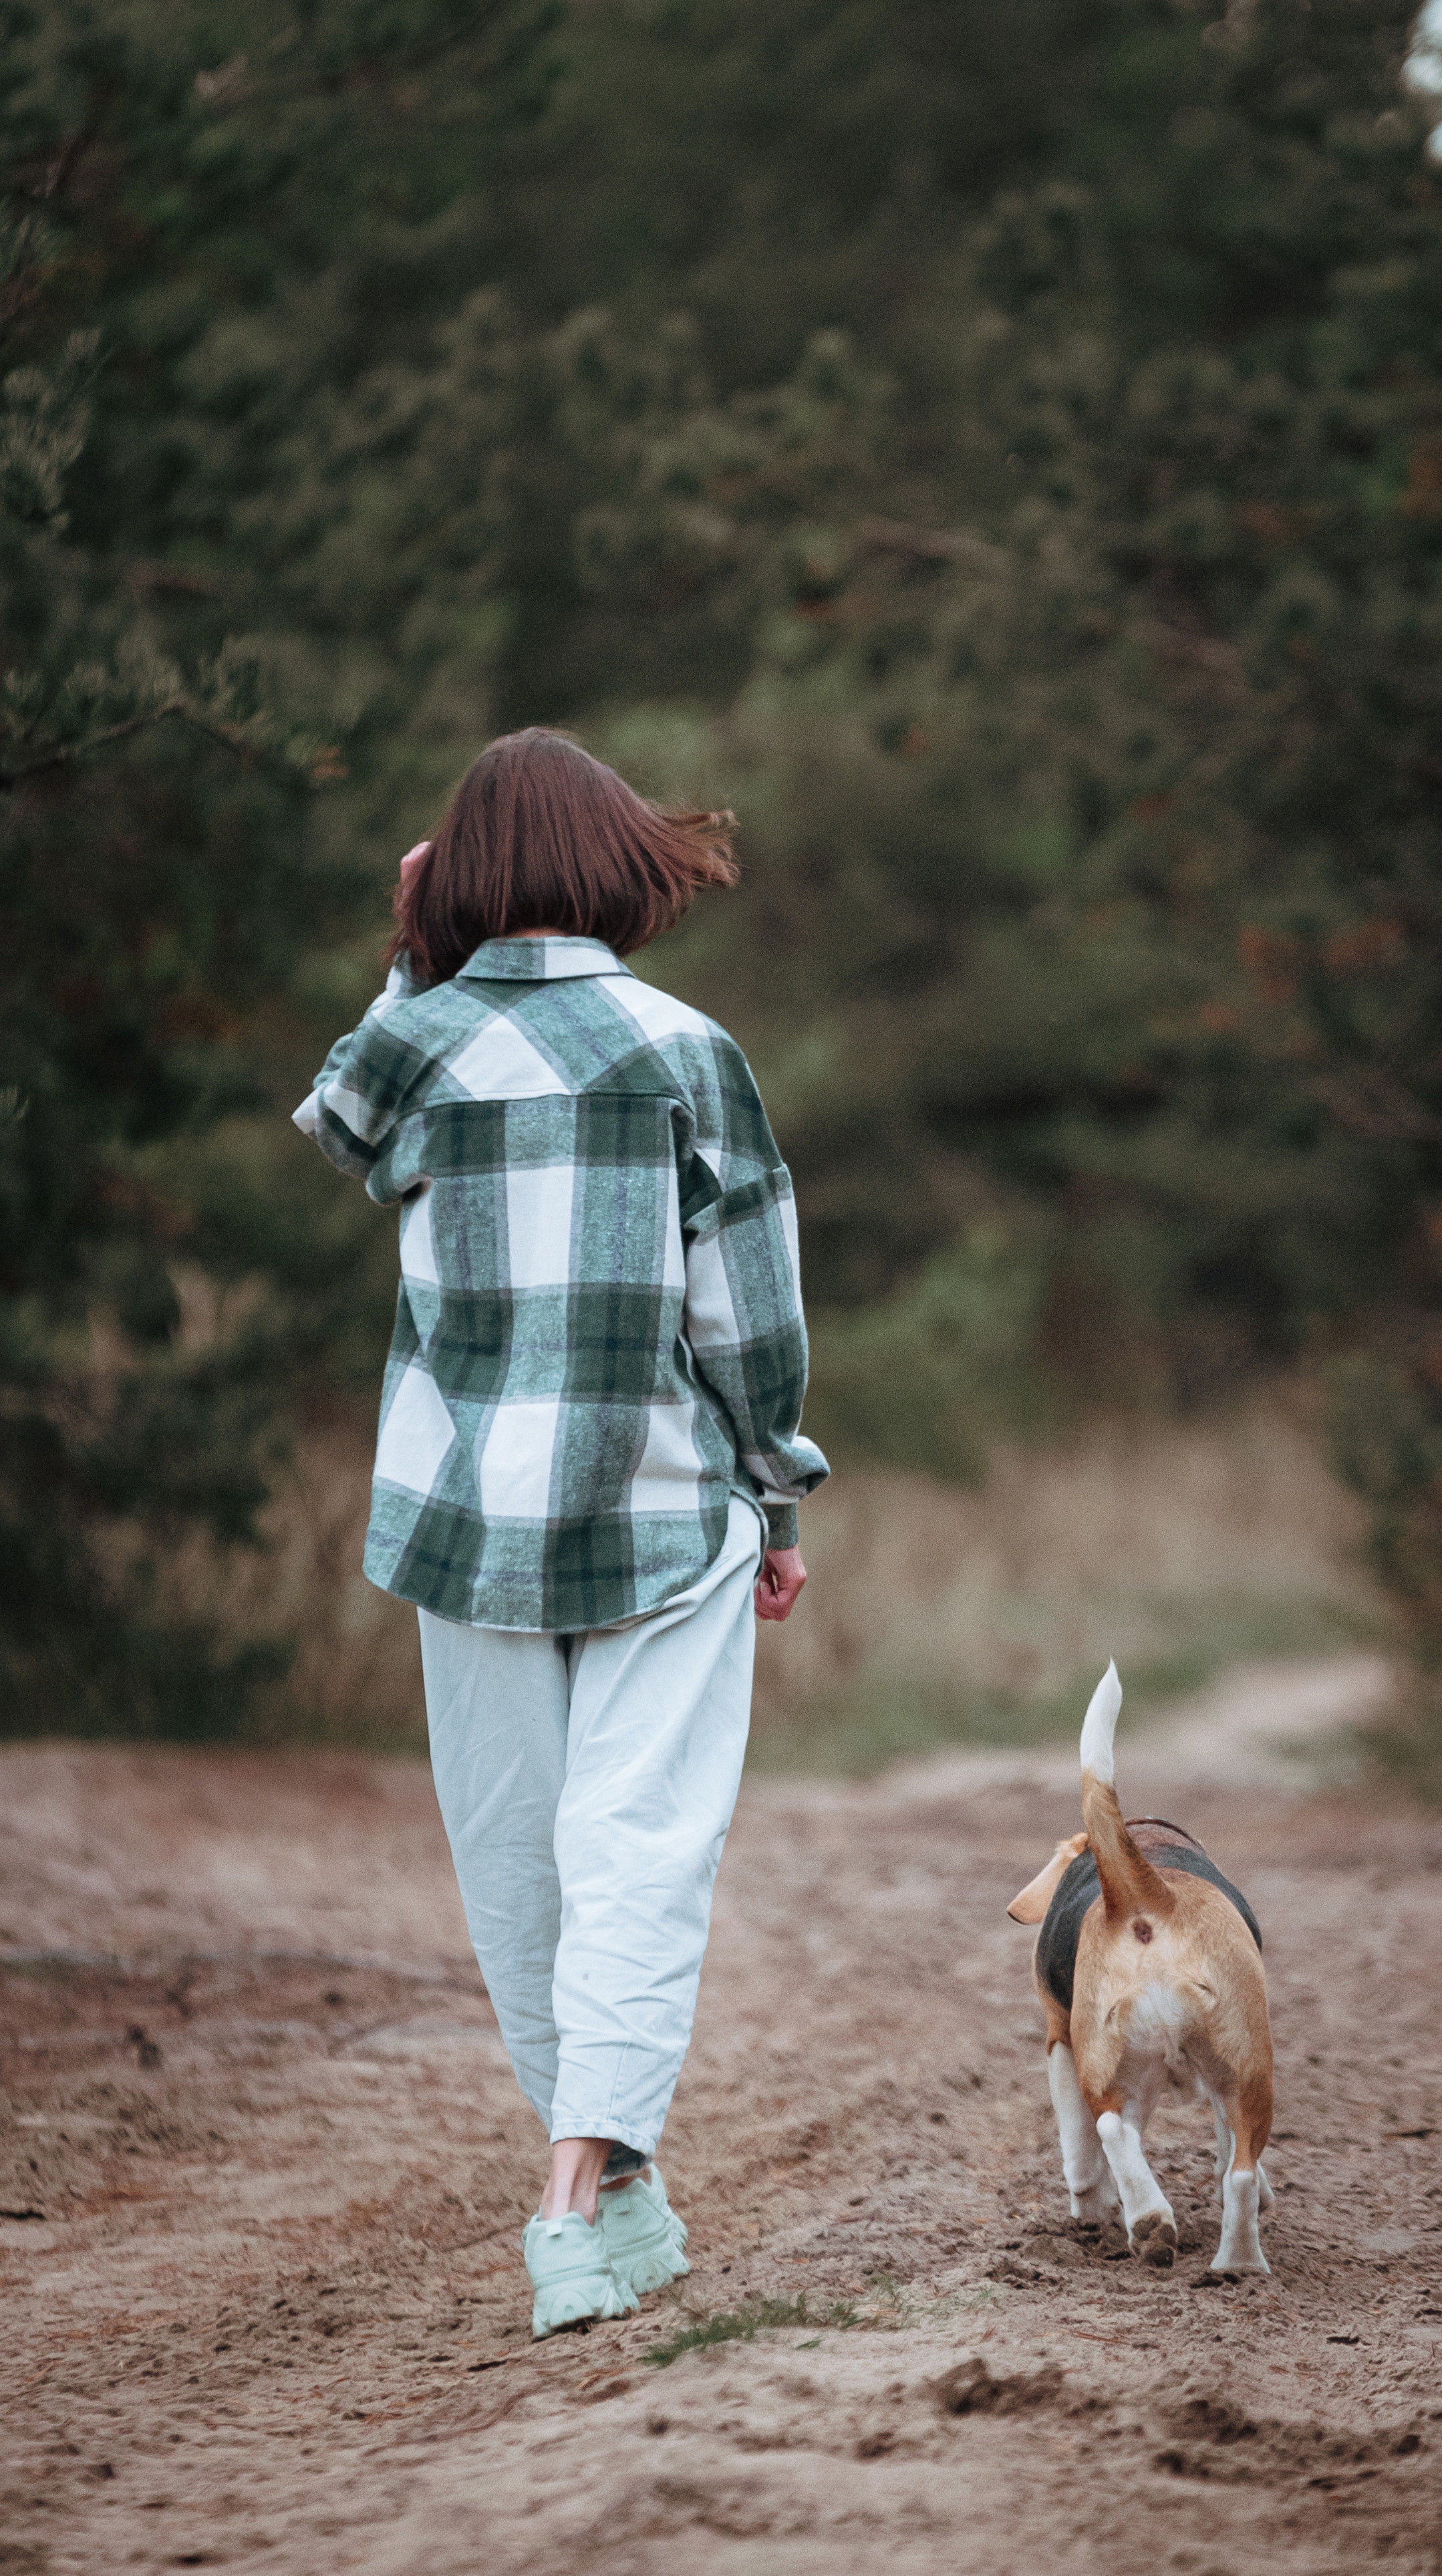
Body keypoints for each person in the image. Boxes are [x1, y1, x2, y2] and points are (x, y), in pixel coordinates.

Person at [293, 728, 827, 2334]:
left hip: (464, 1520)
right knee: (638, 1850)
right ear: (616, 867)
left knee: (518, 1861)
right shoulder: (683, 1046)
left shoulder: (419, 1044)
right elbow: (751, 1308)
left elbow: (334, 1127)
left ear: (452, 882)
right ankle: (578, 2198)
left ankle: (600, 2188)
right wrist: (775, 1487)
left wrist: (411, 953)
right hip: (664, 1508)